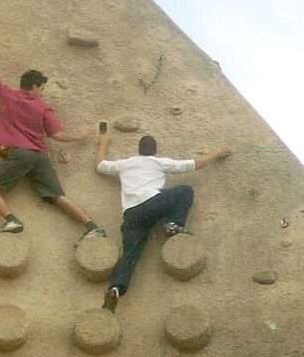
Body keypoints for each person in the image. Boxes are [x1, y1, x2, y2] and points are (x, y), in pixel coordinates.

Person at [0, 45, 106, 241]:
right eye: (42, 88)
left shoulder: (8, 95)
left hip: (20, 153)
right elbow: (58, 135)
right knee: (57, 196)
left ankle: (11, 220)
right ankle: (92, 227)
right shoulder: (44, 109)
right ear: (35, 86)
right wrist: (81, 135)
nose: (43, 93)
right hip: (40, 156)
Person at [95, 130, 231, 312]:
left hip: (131, 216)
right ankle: (174, 225)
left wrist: (104, 142)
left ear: (139, 149)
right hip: (153, 204)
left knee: (130, 255)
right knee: (185, 191)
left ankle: (115, 289)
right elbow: (195, 164)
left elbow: (100, 165)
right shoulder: (158, 163)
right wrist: (218, 152)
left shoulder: (125, 164)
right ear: (154, 151)